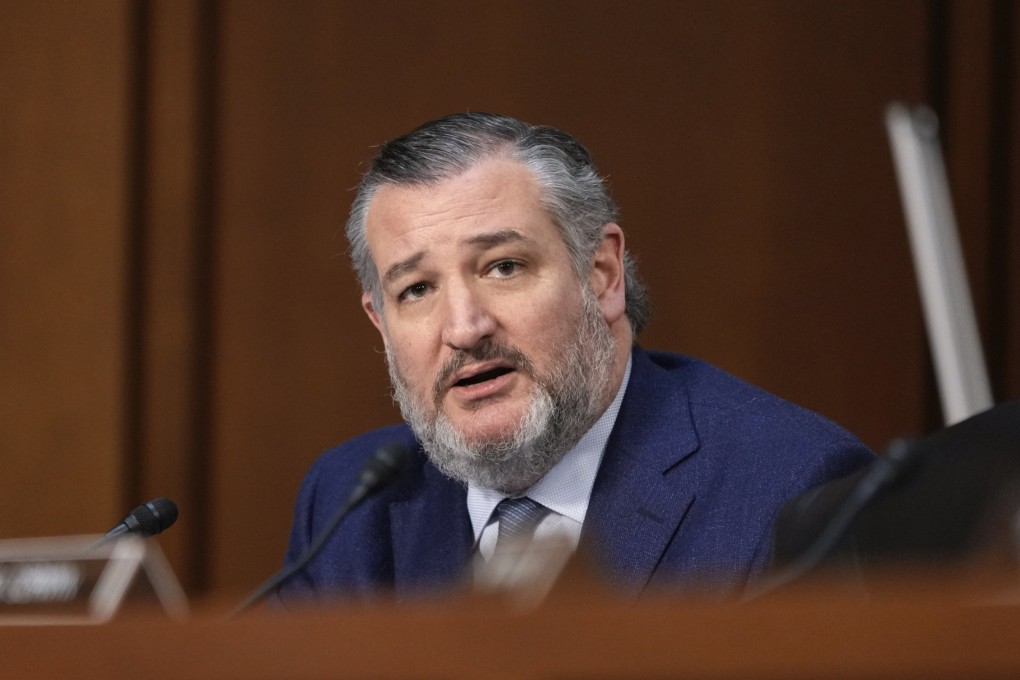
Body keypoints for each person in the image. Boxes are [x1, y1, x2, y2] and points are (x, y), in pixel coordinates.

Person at [279, 112, 874, 603]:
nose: (464, 328)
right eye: (417, 290)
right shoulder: (349, 506)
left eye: (504, 267)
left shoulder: (794, 491)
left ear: (603, 273)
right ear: (380, 324)